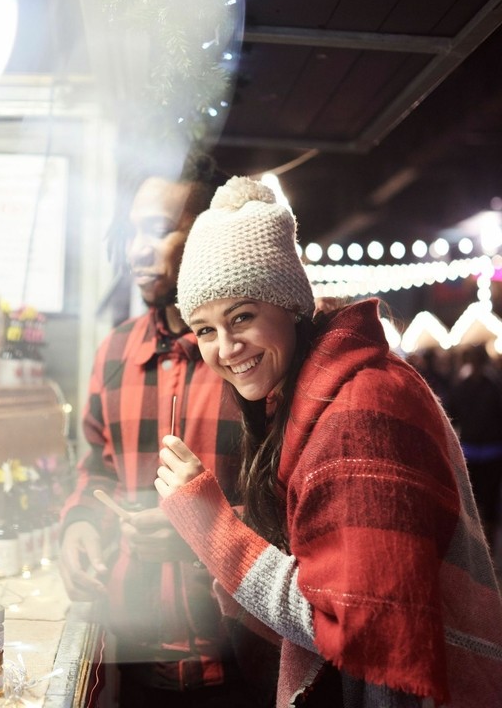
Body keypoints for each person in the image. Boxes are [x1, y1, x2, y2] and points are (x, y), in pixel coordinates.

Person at [153, 175, 502, 707]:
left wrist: (213, 528)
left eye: (241, 316)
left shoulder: (359, 408)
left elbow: (353, 623)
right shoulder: (315, 395)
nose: (224, 348)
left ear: (290, 305)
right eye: (204, 329)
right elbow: (333, 546)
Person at [59, 153, 279, 707]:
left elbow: (299, 508)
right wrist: (79, 524)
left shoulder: (251, 360)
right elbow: (95, 467)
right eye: (131, 232)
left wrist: (205, 532)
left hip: (246, 659)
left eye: (157, 231)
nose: (137, 249)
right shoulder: (114, 353)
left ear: (204, 236)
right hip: (137, 653)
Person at [446, 344, 502, 555]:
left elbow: (451, 415)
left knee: (477, 502)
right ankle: (487, 548)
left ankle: (481, 549)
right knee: (486, 502)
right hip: (490, 452)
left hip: (477, 451)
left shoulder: (463, 386)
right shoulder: (494, 385)